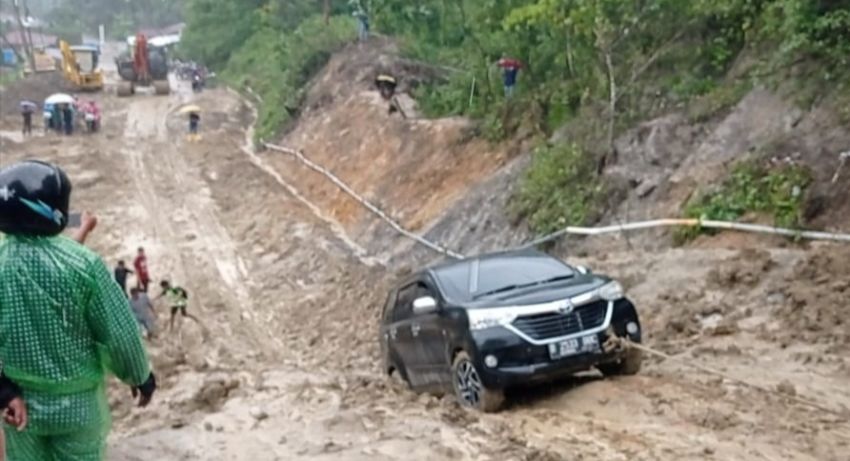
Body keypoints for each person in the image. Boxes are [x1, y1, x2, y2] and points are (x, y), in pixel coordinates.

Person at [0, 160, 155, 461]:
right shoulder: (84, 264)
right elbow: (118, 331)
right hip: (79, 407)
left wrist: (4, 392)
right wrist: (139, 375)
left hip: (20, 407)